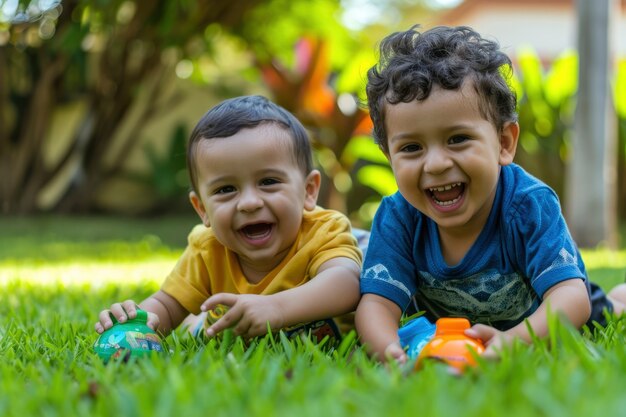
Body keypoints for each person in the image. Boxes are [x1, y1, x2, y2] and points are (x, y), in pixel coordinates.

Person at [354, 25, 626, 363]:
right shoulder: (398, 218)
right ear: (389, 157)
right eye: (411, 147)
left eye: (457, 139)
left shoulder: (528, 205)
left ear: (504, 143)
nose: (436, 164)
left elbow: (571, 298)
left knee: (611, 309)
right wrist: (389, 351)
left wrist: (513, 341)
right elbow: (376, 303)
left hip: (551, 313)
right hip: (462, 333)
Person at [95, 95, 362, 342]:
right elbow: (167, 305)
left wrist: (276, 308)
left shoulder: (323, 232)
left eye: (268, 182)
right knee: (203, 327)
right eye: (225, 189)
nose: (248, 203)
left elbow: (346, 284)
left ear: (308, 190)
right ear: (202, 209)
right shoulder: (207, 249)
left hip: (358, 252)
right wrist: (135, 321)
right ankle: (198, 319)